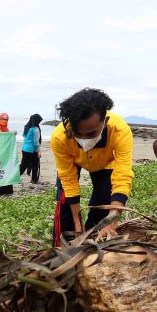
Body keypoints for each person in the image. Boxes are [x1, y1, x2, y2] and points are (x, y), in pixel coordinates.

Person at [51, 88, 133, 245]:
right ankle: (62, 247)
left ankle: (95, 240)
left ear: (105, 122)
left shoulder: (120, 131)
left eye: (91, 134)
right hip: (73, 161)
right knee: (65, 208)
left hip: (105, 163)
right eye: (78, 133)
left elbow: (122, 176)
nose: (84, 140)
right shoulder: (59, 137)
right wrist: (76, 222)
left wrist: (112, 220)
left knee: (104, 201)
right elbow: (68, 179)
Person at [20, 114, 43, 183]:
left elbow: (24, 135)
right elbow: (36, 142)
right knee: (35, 164)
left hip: (24, 148)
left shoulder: (27, 127)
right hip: (31, 150)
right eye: (39, 121)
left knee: (23, 165)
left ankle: (15, 177)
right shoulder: (35, 129)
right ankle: (34, 179)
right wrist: (39, 151)